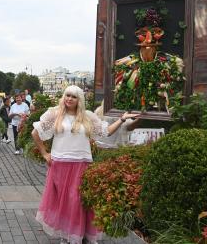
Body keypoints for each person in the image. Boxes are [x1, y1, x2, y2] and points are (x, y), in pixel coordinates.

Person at [31, 85, 138, 244]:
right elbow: (35, 133)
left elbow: (106, 132)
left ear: (79, 100)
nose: (69, 99)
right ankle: (68, 235)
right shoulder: (55, 114)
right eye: (67, 95)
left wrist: (122, 119)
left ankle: (80, 233)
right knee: (66, 201)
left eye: (73, 96)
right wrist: (45, 153)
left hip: (82, 164)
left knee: (78, 200)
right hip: (60, 164)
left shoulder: (87, 116)